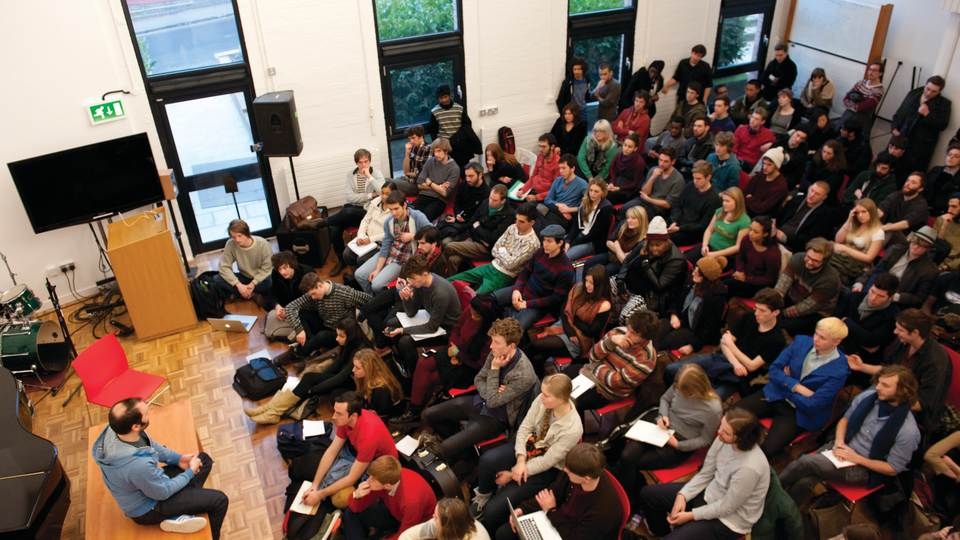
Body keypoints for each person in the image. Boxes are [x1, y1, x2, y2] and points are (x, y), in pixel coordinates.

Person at [778, 365, 921, 506]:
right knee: (806, 480)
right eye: (879, 382)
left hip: (864, 468)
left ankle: (771, 491)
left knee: (806, 462)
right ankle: (786, 509)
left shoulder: (908, 431)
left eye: (885, 385)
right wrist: (839, 442)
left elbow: (892, 469)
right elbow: (844, 421)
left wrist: (855, 458)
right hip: (843, 447)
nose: (877, 387)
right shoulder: (867, 397)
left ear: (902, 391)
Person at [92, 398, 229, 538]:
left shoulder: (118, 431)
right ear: (136, 426)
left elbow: (151, 445)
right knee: (220, 500)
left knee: (203, 460)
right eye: (146, 413)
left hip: (151, 485)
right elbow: (163, 492)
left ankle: (184, 508)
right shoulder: (138, 466)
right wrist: (189, 472)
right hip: (148, 508)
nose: (149, 411)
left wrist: (179, 458)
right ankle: (202, 528)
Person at [471, 374, 584, 532]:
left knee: (493, 510)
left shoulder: (573, 428)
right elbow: (525, 428)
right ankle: (483, 496)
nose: (541, 397)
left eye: (546, 395)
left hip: (545, 468)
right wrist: (520, 459)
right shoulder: (542, 400)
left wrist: (511, 474)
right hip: (528, 446)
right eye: (542, 393)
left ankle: (489, 527)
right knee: (487, 460)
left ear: (561, 399)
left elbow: (547, 461)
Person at [638, 407, 770, 539]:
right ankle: (661, 532)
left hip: (729, 521)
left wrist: (691, 515)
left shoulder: (749, 469)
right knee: (648, 494)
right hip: (711, 493)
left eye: (726, 432)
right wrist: (683, 495)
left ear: (740, 439)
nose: (719, 432)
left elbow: (727, 507)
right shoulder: (723, 439)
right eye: (721, 426)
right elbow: (706, 473)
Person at [421, 318, 539, 463]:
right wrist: (493, 390)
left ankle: (458, 452)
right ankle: (463, 451)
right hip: (479, 402)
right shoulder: (496, 352)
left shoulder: (524, 374)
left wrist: (494, 369)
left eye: (496, 342)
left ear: (511, 345)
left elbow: (493, 402)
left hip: (498, 418)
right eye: (492, 340)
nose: (491, 346)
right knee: (427, 415)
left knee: (444, 448)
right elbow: (478, 379)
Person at [736, 317, 850, 456]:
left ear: (836, 342)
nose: (816, 339)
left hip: (799, 412)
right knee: (733, 413)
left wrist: (786, 383)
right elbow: (774, 370)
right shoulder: (801, 342)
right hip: (775, 394)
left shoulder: (840, 370)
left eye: (822, 338)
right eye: (816, 333)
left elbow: (813, 404)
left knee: (768, 449)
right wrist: (796, 386)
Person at [616, 364, 722, 510]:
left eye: (686, 393)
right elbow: (665, 399)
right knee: (627, 456)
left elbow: (705, 440)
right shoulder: (680, 383)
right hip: (662, 428)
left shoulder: (713, 409)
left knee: (631, 463)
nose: (680, 393)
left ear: (697, 388)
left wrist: (678, 445)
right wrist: (663, 415)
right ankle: (629, 499)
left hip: (681, 442)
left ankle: (628, 500)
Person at [290, 391, 397, 532]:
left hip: (377, 465)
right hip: (354, 452)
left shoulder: (369, 436)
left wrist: (320, 494)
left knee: (337, 498)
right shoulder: (345, 419)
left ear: (353, 416)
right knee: (311, 471)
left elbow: (352, 478)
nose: (333, 417)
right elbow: (332, 451)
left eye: (338, 413)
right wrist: (315, 485)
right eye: (334, 411)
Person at [244, 317, 371, 424]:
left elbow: (342, 377)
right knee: (310, 377)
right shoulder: (349, 343)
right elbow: (338, 364)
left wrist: (314, 389)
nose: (337, 339)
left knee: (310, 381)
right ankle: (270, 409)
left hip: (354, 382)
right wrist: (319, 378)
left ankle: (274, 411)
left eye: (341, 336)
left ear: (351, 336)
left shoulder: (360, 352)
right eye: (337, 334)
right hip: (345, 376)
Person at [846, 308, 952, 435]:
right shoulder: (904, 342)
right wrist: (862, 366)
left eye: (900, 330)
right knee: (858, 403)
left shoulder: (935, 361)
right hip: (891, 393)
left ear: (915, 333)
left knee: (865, 410)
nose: (895, 332)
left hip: (911, 408)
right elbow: (888, 370)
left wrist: (884, 400)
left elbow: (923, 403)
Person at [667, 288, 786, 399]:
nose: (756, 313)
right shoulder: (749, 317)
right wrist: (735, 362)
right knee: (672, 369)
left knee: (708, 401)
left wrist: (731, 345)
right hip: (725, 359)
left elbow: (751, 365)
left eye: (762, 310)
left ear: (775, 312)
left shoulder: (777, 339)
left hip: (740, 376)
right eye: (756, 308)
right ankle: (670, 401)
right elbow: (724, 343)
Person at [496, 443, 623, 540]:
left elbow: (574, 537)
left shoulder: (604, 511)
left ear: (586, 479)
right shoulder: (574, 473)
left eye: (570, 471)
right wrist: (523, 509)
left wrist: (551, 511)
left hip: (567, 531)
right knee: (504, 533)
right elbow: (551, 493)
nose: (565, 471)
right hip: (557, 520)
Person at [480, 224, 574, 330]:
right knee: (488, 301)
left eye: (549, 241)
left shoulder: (566, 269)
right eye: (544, 240)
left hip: (538, 304)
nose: (545, 244)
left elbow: (555, 298)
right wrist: (517, 289)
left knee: (516, 329)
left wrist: (527, 304)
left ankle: (506, 323)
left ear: (560, 243)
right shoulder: (541, 251)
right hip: (524, 290)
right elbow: (526, 272)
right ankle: (494, 326)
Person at [382, 254, 461, 375]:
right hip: (432, 318)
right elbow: (411, 312)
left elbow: (432, 327)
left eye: (412, 278)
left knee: (405, 341)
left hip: (445, 329)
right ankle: (402, 359)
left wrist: (403, 330)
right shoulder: (420, 284)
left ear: (424, 274)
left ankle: (414, 372)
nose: (410, 282)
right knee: (391, 323)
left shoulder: (440, 293)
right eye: (409, 278)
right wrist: (406, 298)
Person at [527, 264, 613, 374]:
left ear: (600, 285)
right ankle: (535, 375)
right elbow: (564, 310)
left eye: (592, 283)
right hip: (567, 327)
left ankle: (529, 373)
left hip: (581, 339)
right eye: (586, 281)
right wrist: (570, 330)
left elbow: (591, 332)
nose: (587, 285)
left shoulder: (604, 305)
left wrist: (574, 321)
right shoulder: (579, 288)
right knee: (539, 354)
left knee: (535, 346)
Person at [570, 309, 659, 408]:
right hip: (590, 373)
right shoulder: (618, 332)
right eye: (628, 329)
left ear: (645, 338)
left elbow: (616, 382)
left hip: (606, 391)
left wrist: (595, 367)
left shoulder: (646, 359)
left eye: (633, 333)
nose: (627, 335)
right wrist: (610, 342)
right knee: (559, 382)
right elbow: (592, 356)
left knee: (568, 401)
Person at [448, 203, 539, 295]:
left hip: (504, 275)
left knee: (474, 298)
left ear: (532, 223)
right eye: (516, 219)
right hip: (491, 266)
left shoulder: (532, 243)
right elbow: (494, 249)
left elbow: (511, 265)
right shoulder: (512, 228)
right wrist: (507, 254)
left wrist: (502, 250)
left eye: (522, 222)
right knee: (451, 280)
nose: (517, 224)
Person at [341, 455, 436, 540]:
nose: (368, 481)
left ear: (387, 485)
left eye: (373, 479)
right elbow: (355, 508)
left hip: (415, 524)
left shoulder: (411, 501)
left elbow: (405, 535)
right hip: (394, 512)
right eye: (370, 476)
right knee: (350, 513)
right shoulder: (384, 477)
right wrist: (357, 495)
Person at [355, 191, 432, 293]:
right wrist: (377, 269)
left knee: (376, 285)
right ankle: (370, 298)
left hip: (403, 259)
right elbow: (386, 244)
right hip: (390, 253)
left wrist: (413, 236)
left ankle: (376, 299)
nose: (394, 213)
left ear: (404, 205)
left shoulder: (417, 216)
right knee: (359, 274)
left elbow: (433, 233)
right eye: (391, 209)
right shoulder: (389, 221)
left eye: (396, 209)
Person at [327, 148, 386, 275]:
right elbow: (350, 197)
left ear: (370, 161)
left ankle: (322, 222)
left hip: (366, 210)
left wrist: (369, 176)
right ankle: (341, 261)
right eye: (360, 162)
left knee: (348, 212)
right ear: (356, 163)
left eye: (366, 161)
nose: (364, 165)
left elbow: (382, 192)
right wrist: (370, 195)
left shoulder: (376, 174)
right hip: (351, 208)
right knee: (335, 228)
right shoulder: (350, 175)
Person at [654, 255, 728, 355]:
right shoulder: (691, 280)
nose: (693, 273)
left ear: (707, 278)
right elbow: (674, 298)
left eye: (698, 273)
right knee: (656, 329)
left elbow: (710, 328)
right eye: (695, 269)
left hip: (694, 332)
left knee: (667, 341)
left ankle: (648, 356)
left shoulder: (716, 297)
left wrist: (693, 346)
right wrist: (673, 314)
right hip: (679, 319)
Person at [853, 226, 938, 309]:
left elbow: (919, 298)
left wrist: (896, 297)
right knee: (853, 297)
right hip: (876, 287)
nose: (915, 247)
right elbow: (876, 270)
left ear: (928, 249)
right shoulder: (895, 250)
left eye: (921, 246)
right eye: (914, 242)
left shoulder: (929, 271)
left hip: (894, 300)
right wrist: (860, 282)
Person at [285, 273, 371, 355]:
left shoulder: (345, 293)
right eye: (311, 295)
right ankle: (310, 344)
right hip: (325, 323)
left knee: (322, 336)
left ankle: (297, 352)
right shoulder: (313, 291)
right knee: (302, 312)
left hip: (338, 332)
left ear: (320, 285)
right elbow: (290, 307)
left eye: (313, 294)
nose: (313, 298)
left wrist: (361, 316)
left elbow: (368, 299)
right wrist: (299, 330)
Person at [621, 216, 688, 317]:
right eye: (651, 245)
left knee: (626, 315)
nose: (653, 249)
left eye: (657, 245)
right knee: (608, 286)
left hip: (652, 297)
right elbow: (628, 261)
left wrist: (645, 263)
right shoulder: (645, 246)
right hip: (634, 286)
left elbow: (659, 286)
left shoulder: (676, 260)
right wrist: (620, 281)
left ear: (666, 242)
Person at [775, 238, 842, 336]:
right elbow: (782, 285)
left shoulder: (829, 280)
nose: (809, 262)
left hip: (815, 312)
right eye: (808, 257)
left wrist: (781, 313)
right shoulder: (797, 259)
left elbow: (807, 307)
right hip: (794, 298)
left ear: (824, 262)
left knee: (781, 324)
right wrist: (773, 304)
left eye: (815, 261)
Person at [444, 184, 515, 271]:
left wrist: (478, 227)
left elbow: (493, 238)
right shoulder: (485, 202)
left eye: (495, 200)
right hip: (475, 239)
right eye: (490, 198)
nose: (490, 201)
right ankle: (448, 278)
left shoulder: (509, 215)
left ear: (503, 201)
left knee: (449, 246)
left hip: (486, 248)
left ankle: (436, 275)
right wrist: (480, 233)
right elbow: (473, 221)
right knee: (453, 259)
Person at [892, 75, 952, 173]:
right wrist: (894, 128)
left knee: (910, 175)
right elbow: (899, 112)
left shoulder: (944, 104)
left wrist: (927, 115)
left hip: (919, 149)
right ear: (925, 85)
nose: (929, 93)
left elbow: (943, 125)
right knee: (889, 168)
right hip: (899, 140)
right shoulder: (914, 93)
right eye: (927, 89)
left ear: (940, 91)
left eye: (934, 91)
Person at [839, 273, 900, 366]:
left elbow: (870, 341)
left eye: (880, 296)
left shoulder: (893, 315)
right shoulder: (854, 297)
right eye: (872, 291)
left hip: (863, 359)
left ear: (891, 297)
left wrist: (847, 322)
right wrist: (862, 337)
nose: (873, 298)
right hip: (840, 344)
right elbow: (835, 319)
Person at [340, 182, 396, 275]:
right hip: (366, 237)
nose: (384, 196)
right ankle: (355, 275)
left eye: (387, 194)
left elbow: (390, 232)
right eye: (382, 193)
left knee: (361, 260)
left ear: (394, 194)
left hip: (379, 243)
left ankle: (361, 277)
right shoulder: (375, 202)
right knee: (347, 254)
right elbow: (365, 220)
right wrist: (361, 236)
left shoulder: (395, 209)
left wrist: (370, 239)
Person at [213, 219, 273, 303]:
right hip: (244, 277)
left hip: (260, 279)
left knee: (269, 283)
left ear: (247, 233)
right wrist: (238, 285)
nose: (237, 240)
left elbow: (267, 268)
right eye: (233, 237)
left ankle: (241, 294)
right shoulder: (230, 244)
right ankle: (252, 295)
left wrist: (253, 283)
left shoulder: (263, 243)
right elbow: (224, 267)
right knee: (217, 279)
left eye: (239, 236)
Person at [830, 198, 885, 284]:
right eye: (857, 213)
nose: (860, 215)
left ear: (871, 212)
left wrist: (846, 249)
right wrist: (849, 220)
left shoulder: (878, 232)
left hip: (854, 265)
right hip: (840, 256)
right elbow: (838, 240)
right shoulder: (854, 224)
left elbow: (869, 258)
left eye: (864, 212)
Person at [775, 181, 839, 254]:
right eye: (812, 190)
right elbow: (779, 216)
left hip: (793, 246)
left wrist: (786, 238)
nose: (812, 195)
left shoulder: (825, 215)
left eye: (817, 194)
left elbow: (810, 239)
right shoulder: (797, 199)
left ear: (824, 197)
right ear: (808, 189)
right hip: (776, 233)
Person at [583, 205, 647, 278]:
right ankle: (584, 284)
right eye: (628, 217)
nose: (629, 220)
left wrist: (616, 245)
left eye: (633, 218)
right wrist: (621, 252)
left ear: (642, 219)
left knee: (601, 273)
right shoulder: (623, 224)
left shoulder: (643, 239)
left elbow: (624, 261)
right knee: (588, 263)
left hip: (621, 265)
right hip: (611, 255)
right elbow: (608, 242)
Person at [621, 147, 684, 221]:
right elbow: (645, 192)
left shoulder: (678, 179)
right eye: (660, 160)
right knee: (624, 209)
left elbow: (668, 204)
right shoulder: (653, 170)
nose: (661, 164)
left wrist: (649, 199)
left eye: (665, 161)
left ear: (673, 162)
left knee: (636, 216)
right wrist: (653, 177)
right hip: (643, 201)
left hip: (657, 208)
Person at [668, 160, 721, 248]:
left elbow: (702, 225)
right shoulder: (690, 186)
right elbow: (678, 204)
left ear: (708, 177)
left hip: (692, 232)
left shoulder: (714, 199)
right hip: (678, 223)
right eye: (694, 178)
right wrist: (675, 221)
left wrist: (680, 228)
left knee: (663, 239)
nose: (695, 181)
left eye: (698, 179)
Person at [264, 251, 313, 342]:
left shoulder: (307, 272)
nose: (282, 272)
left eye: (285, 267)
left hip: (303, 309)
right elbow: (272, 293)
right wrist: (277, 306)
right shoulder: (275, 273)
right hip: (285, 307)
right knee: (268, 307)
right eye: (279, 269)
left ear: (292, 264)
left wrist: (290, 310)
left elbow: (311, 299)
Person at [727, 216, 781, 299]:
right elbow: (740, 256)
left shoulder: (772, 254)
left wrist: (746, 279)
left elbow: (769, 279)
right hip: (741, 274)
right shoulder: (747, 239)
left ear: (765, 234)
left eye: (755, 232)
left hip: (756, 284)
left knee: (726, 288)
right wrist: (740, 270)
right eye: (750, 229)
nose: (750, 233)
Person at [428, 85, 481, 168]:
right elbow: (433, 131)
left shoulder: (459, 108)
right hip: (445, 146)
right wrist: (438, 146)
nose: (444, 100)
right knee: (447, 168)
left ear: (450, 95)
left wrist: (458, 137)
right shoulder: (435, 112)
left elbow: (467, 125)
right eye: (441, 98)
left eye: (445, 97)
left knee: (463, 167)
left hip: (460, 143)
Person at [565, 178, 614, 261]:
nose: (592, 194)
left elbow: (596, 233)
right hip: (580, 236)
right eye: (591, 190)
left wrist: (573, 243)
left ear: (602, 192)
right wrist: (568, 241)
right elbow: (576, 225)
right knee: (556, 246)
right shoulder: (585, 202)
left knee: (565, 257)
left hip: (592, 242)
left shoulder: (606, 208)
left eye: (596, 191)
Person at [412, 138, 461, 221]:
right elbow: (419, 184)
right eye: (434, 151)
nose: (436, 154)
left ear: (446, 151)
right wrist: (439, 187)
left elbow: (445, 193)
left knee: (425, 219)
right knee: (411, 215)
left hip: (439, 200)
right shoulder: (430, 161)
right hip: (424, 195)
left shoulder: (454, 168)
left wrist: (430, 182)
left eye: (438, 151)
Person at [440, 162, 490, 240]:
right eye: (466, 176)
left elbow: (480, 216)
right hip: (458, 218)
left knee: (446, 239)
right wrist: (458, 215)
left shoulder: (486, 193)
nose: (468, 179)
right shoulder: (464, 185)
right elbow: (457, 203)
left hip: (470, 225)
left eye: (471, 176)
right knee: (438, 227)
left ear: (480, 175)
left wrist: (464, 220)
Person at [699, 186, 750, 262]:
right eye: (723, 200)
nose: (724, 204)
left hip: (724, 255)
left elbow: (738, 247)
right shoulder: (720, 211)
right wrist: (705, 245)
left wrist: (714, 254)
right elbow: (709, 229)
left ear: (737, 202)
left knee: (703, 267)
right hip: (709, 247)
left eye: (727, 201)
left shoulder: (745, 221)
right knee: (686, 260)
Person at [879, 171, 930, 246]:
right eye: (907, 180)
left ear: (920, 189)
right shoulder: (896, 195)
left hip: (906, 240)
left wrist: (884, 228)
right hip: (885, 230)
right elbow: (881, 210)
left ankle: (870, 251)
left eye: (913, 182)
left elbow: (905, 224)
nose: (907, 184)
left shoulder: (921, 205)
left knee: (891, 229)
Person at [400, 498, 490, 540]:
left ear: (447, 527)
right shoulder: (442, 524)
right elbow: (407, 536)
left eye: (436, 517)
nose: (433, 517)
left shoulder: (479, 537)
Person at [539, 153, 588, 230]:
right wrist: (559, 205)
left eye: (564, 168)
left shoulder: (582, 184)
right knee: (534, 208)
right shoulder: (558, 180)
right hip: (554, 209)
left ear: (572, 168)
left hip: (565, 217)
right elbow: (547, 199)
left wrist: (569, 210)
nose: (561, 171)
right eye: (560, 168)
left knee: (543, 220)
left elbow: (588, 206)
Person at [352, 348, 404, 417]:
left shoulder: (381, 389)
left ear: (369, 369)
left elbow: (383, 416)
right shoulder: (363, 379)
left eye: (357, 368)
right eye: (354, 366)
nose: (353, 370)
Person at [841, 62, 884, 136]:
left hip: (860, 121)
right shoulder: (861, 82)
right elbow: (845, 99)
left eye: (874, 70)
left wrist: (852, 102)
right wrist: (858, 102)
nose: (870, 72)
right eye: (870, 69)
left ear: (880, 73)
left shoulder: (879, 90)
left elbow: (861, 107)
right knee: (838, 134)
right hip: (847, 115)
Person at [743, 146, 789, 217]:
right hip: (746, 209)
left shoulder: (780, 186)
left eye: (769, 165)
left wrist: (750, 199)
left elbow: (762, 208)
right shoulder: (761, 175)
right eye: (764, 163)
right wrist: (754, 201)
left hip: (760, 218)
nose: (764, 167)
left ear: (777, 166)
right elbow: (745, 192)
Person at [605, 133, 647, 205]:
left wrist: (619, 188)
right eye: (625, 145)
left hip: (628, 189)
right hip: (616, 181)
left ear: (635, 148)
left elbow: (635, 184)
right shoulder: (619, 155)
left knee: (607, 196)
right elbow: (612, 169)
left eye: (629, 147)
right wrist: (612, 183)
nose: (626, 149)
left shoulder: (639, 163)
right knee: (600, 189)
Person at [518, 134, 561, 202]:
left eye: (544, 147)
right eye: (540, 146)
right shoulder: (540, 156)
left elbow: (555, 189)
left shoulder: (558, 164)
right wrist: (523, 190)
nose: (540, 149)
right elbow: (533, 176)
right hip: (533, 189)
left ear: (552, 147)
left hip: (543, 196)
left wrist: (536, 197)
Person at [926, 144, 960, 214]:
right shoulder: (935, 169)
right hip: (923, 209)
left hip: (943, 213)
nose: (951, 157)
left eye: (956, 156)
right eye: (949, 154)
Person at [935, 194, 960, 271]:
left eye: (954, 207)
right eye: (949, 206)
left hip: (952, 266)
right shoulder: (941, 220)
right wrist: (944, 227)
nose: (949, 210)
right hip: (934, 259)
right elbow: (934, 245)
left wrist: (946, 267)